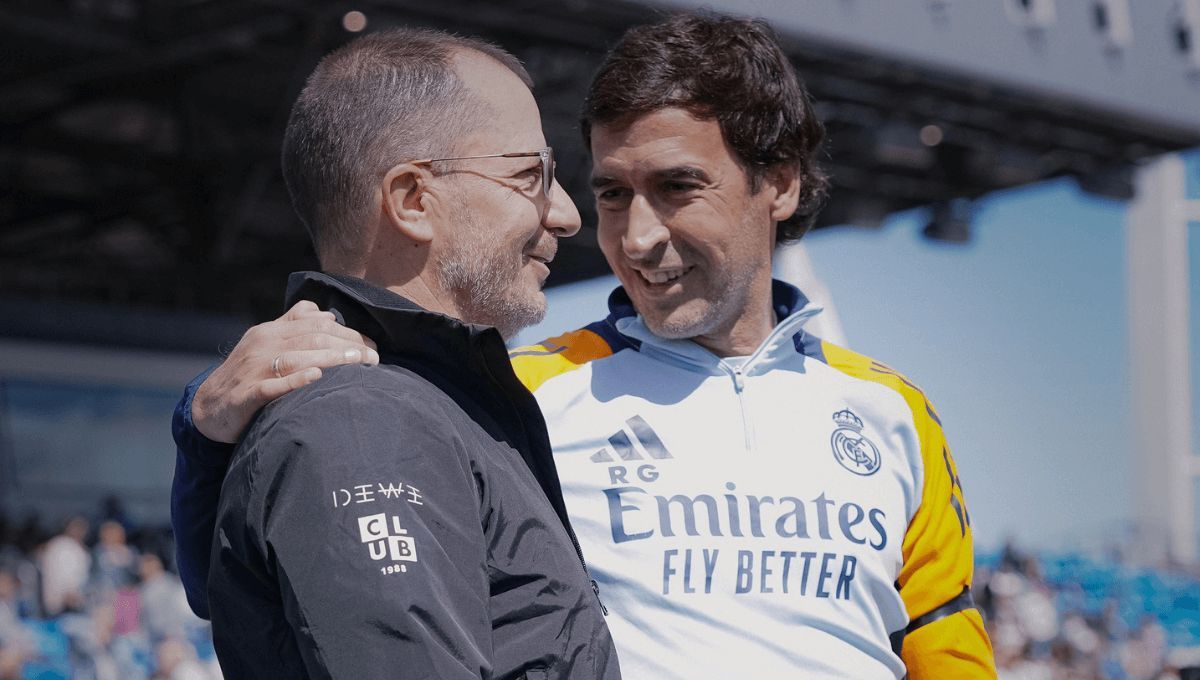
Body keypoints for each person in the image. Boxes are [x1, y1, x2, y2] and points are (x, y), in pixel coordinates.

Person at [172, 12, 995, 679]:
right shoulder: (516, 397)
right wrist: (203, 430)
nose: (635, 237)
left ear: (778, 183)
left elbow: (948, 649)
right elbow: (266, 560)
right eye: (611, 194)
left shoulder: (894, 414)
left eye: (677, 187)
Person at [172, 27, 619, 679]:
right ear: (413, 201)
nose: (566, 214)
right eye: (531, 175)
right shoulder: (363, 421)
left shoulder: (430, 408)